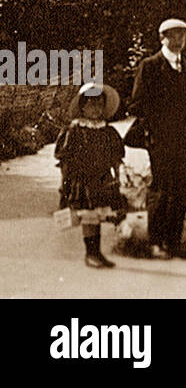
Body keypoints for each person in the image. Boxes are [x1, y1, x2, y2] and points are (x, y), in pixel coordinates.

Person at [128, 18, 186, 259]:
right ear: (162, 38)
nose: (179, 40)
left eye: (183, 35)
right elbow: (137, 105)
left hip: (184, 139)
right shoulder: (150, 66)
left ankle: (174, 242)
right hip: (160, 140)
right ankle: (156, 242)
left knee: (182, 190)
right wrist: (164, 118)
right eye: (174, 35)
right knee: (161, 189)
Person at [54, 82, 126, 269]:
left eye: (99, 104)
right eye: (91, 104)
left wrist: (118, 175)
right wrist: (65, 182)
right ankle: (90, 253)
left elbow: (115, 157)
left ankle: (97, 252)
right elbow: (66, 159)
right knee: (88, 216)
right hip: (82, 180)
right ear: (82, 107)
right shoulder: (74, 130)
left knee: (97, 215)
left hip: (102, 180)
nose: (95, 109)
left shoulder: (107, 131)